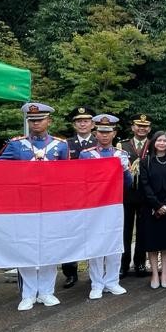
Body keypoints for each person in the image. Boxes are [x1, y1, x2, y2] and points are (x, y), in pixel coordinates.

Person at [0, 102, 68, 310]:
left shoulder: (60, 146)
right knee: (25, 247)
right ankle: (28, 293)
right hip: (24, 205)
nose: (36, 123)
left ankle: (46, 291)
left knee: (50, 247)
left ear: (49, 121)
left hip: (52, 205)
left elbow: (69, 176)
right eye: (32, 120)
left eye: (40, 120)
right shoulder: (16, 145)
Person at [80, 114, 132, 300]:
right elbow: (81, 182)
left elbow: (128, 185)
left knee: (114, 243)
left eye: (108, 132)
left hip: (115, 205)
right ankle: (96, 283)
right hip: (93, 206)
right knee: (95, 245)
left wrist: (126, 171)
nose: (104, 135)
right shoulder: (86, 155)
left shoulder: (122, 155)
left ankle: (112, 281)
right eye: (101, 132)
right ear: (95, 133)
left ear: (114, 133)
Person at [138, 130, 166, 290]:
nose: (162, 143)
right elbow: (145, 185)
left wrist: (165, 205)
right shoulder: (145, 161)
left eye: (165, 141)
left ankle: (164, 274)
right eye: (159, 140)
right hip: (151, 208)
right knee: (152, 243)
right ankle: (154, 274)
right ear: (153, 142)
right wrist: (157, 205)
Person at [61, 105, 96, 288]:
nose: (82, 124)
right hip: (71, 197)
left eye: (86, 121)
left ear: (92, 124)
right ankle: (70, 272)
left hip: (94, 197)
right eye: (79, 121)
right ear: (74, 125)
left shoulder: (100, 143)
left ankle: (95, 272)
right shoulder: (65, 144)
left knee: (95, 233)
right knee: (69, 234)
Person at [119, 113, 152, 277]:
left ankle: (140, 263)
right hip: (126, 194)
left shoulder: (153, 145)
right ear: (133, 127)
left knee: (143, 230)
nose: (142, 128)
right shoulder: (121, 145)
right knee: (125, 230)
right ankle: (123, 264)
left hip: (146, 195)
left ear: (149, 129)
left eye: (145, 126)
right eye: (139, 125)